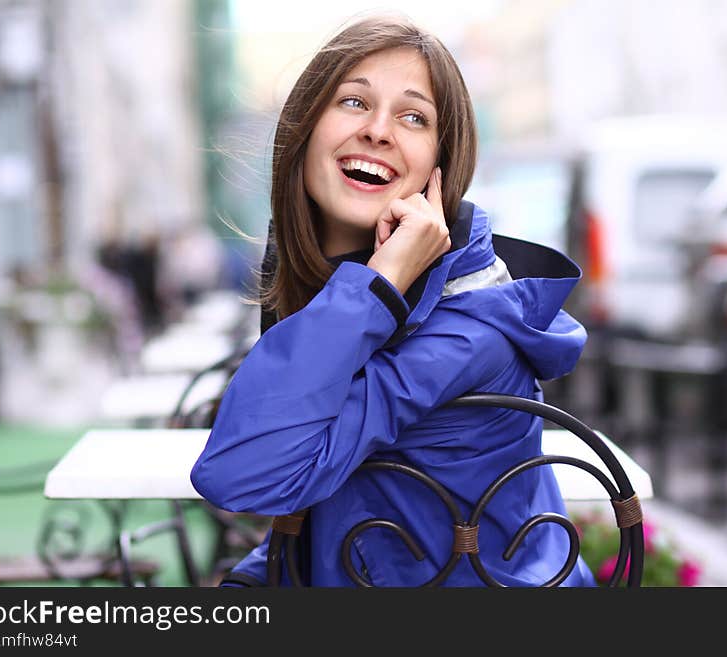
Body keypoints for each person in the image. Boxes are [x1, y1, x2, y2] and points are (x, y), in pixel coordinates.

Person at [190, 14, 595, 587]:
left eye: (413, 117)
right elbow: (333, 510)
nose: (379, 130)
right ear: (304, 129)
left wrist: (379, 282)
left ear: (437, 169)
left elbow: (242, 475)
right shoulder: (334, 281)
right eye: (353, 102)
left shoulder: (464, 328)